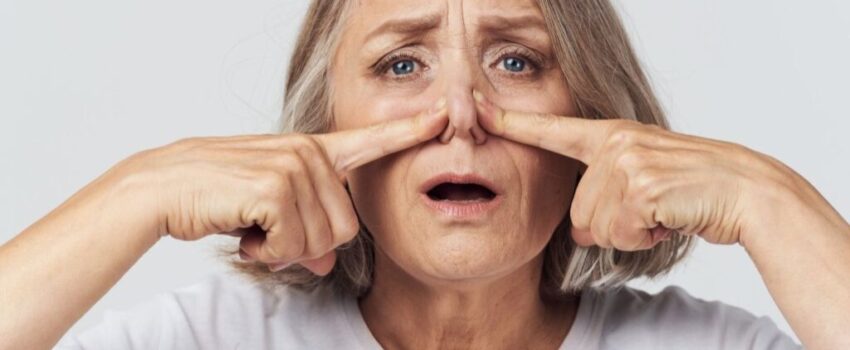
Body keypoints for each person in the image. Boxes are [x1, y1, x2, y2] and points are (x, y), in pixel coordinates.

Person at [1, 0, 847, 349]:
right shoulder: (212, 339)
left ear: (595, 118)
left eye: (516, 61)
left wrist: (772, 198)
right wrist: (138, 190)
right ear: (318, 130)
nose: (461, 112)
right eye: (401, 66)